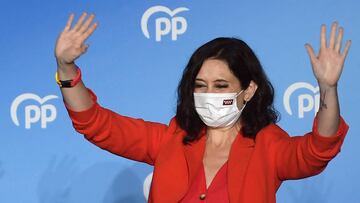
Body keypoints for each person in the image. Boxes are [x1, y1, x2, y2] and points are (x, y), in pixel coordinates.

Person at [54, 12, 351, 203]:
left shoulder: (268, 145)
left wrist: (328, 88)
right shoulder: (172, 137)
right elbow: (96, 124)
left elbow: (317, 150)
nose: (208, 94)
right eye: (200, 85)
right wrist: (66, 68)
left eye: (221, 85)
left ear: (249, 90)